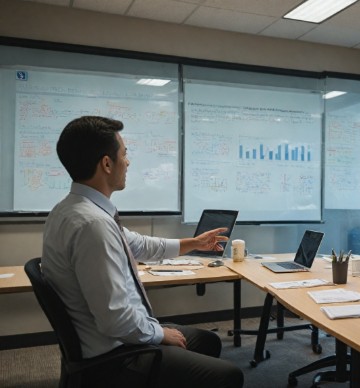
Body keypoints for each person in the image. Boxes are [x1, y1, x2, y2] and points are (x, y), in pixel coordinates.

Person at [41, 116, 244, 388]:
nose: (128, 162)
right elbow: (116, 320)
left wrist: (194, 243)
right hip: (115, 358)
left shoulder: (70, 210)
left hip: (100, 343)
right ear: (106, 163)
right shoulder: (94, 226)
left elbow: (139, 245)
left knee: (208, 341)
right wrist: (159, 334)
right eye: (124, 154)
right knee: (230, 376)